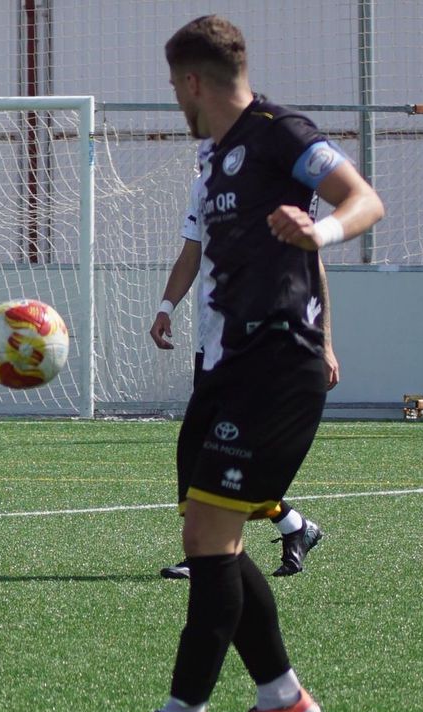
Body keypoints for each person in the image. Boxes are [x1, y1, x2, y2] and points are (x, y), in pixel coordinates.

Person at [110, 15, 383, 712]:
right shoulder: (218, 155)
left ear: (194, 81)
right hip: (234, 368)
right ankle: (281, 699)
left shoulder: (276, 132)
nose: (175, 99)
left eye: (175, 86)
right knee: (210, 539)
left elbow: (362, 198)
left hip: (277, 365)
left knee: (210, 537)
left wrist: (321, 233)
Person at [151, 139, 327, 581]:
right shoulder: (203, 189)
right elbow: (191, 255)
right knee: (200, 454)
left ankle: (209, 557)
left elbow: (312, 266)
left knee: (231, 454)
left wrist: (324, 343)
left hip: (263, 347)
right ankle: (293, 527)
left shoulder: (279, 196)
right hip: (212, 346)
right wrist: (165, 308)